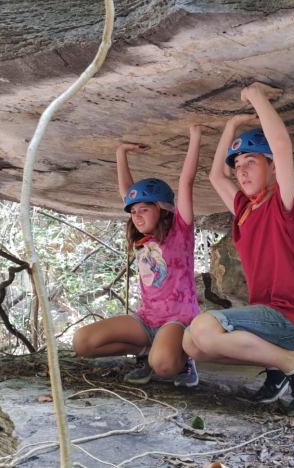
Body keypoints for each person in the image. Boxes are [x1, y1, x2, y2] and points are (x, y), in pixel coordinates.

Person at [183, 82, 294, 416]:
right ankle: (280, 366)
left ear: (272, 166)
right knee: (192, 344)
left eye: (251, 161)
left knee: (204, 327)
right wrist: (231, 125)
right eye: (238, 165)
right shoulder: (245, 210)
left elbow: (282, 146)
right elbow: (216, 176)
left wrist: (257, 97)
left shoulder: (283, 204)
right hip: (269, 317)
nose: (241, 171)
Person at [72, 126, 203, 388]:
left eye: (144, 210)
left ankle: (184, 357)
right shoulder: (142, 239)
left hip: (177, 320)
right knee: (82, 342)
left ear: (162, 209)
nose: (137, 216)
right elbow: (127, 193)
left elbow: (186, 182)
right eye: (133, 212)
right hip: (146, 319)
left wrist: (195, 137)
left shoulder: (180, 230)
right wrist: (121, 153)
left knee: (163, 366)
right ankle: (145, 352)